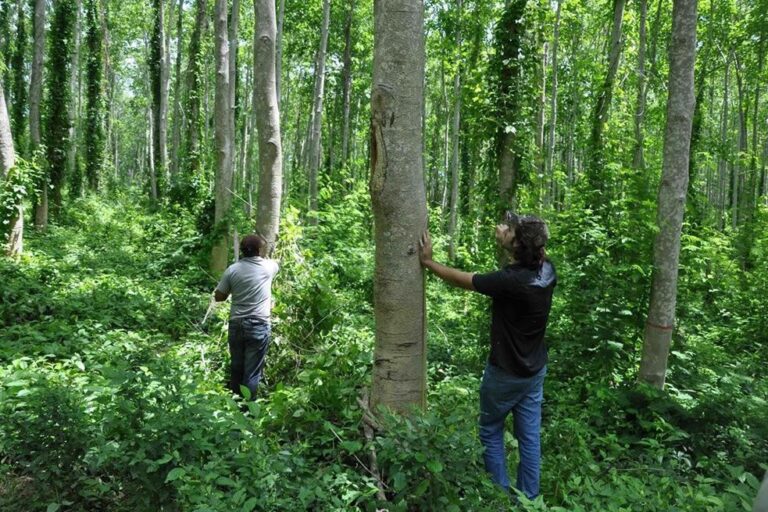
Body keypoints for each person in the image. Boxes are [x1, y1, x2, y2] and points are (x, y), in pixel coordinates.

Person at [419, 213, 556, 500]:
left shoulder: (510, 281)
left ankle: (499, 495)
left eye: (508, 228)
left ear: (518, 243)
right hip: (534, 371)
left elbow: (464, 280)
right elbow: (529, 251)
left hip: (505, 372)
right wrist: (513, 239)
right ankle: (529, 500)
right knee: (529, 438)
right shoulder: (547, 270)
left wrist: (429, 262)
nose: (501, 227)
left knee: (491, 429)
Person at [214, 234, 279, 399]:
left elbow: (219, 297)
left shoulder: (232, 270)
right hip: (258, 325)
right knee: (252, 372)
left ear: (242, 251)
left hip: (236, 324)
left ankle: (235, 409)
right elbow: (272, 263)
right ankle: (248, 412)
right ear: (259, 251)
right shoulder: (269, 267)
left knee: (236, 368)